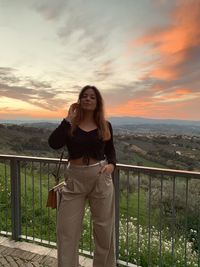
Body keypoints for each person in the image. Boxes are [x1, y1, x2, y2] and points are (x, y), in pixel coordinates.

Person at [48, 85, 117, 267]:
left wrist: (111, 166)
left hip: (100, 177)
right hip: (75, 179)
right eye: (84, 96)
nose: (88, 99)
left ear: (97, 102)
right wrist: (67, 119)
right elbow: (53, 143)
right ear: (79, 101)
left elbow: (111, 151)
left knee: (103, 229)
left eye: (92, 97)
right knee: (66, 230)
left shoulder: (105, 125)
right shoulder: (71, 125)